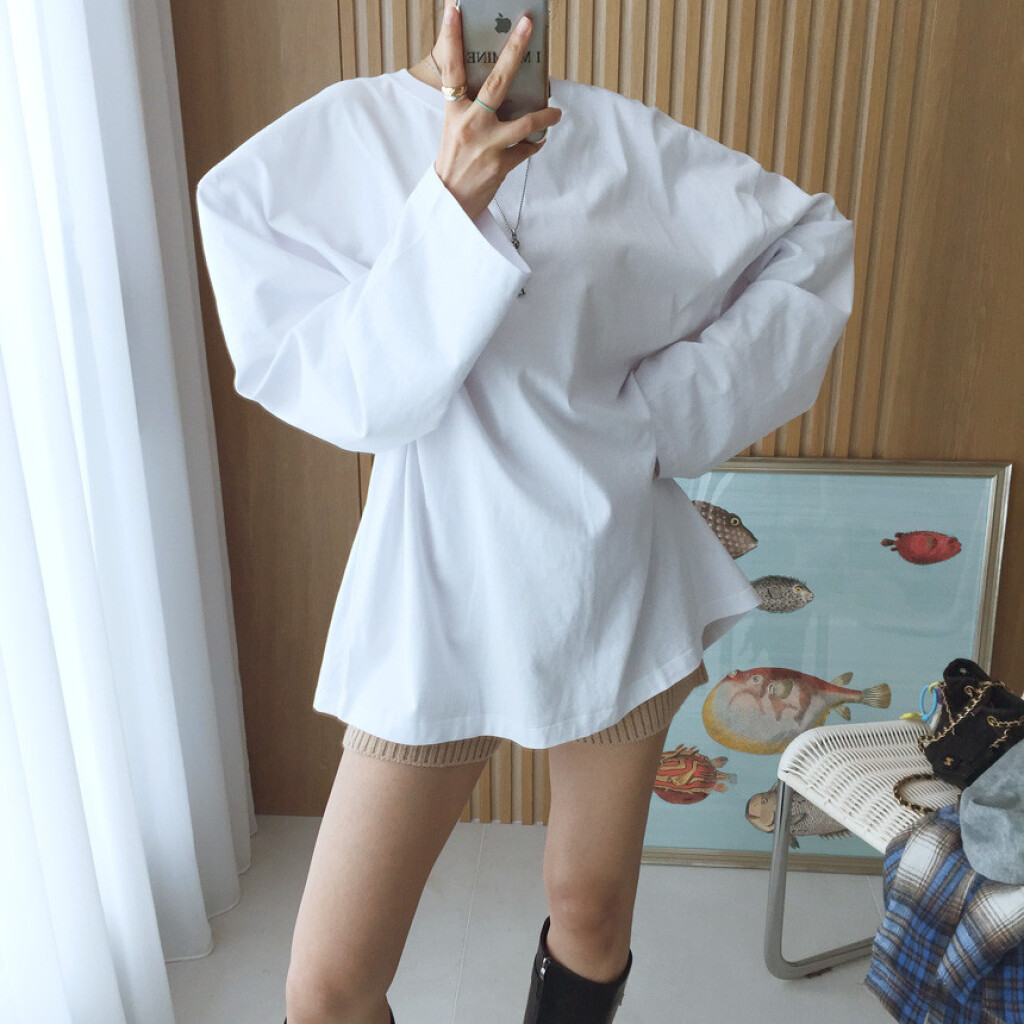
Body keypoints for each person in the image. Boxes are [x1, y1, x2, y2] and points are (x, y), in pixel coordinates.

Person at [194, 1, 855, 1021]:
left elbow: (812, 244)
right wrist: (446, 205)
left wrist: (659, 420)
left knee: (589, 907)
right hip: (437, 583)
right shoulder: (323, 149)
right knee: (327, 988)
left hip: (612, 568)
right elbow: (362, 400)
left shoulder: (624, 143)